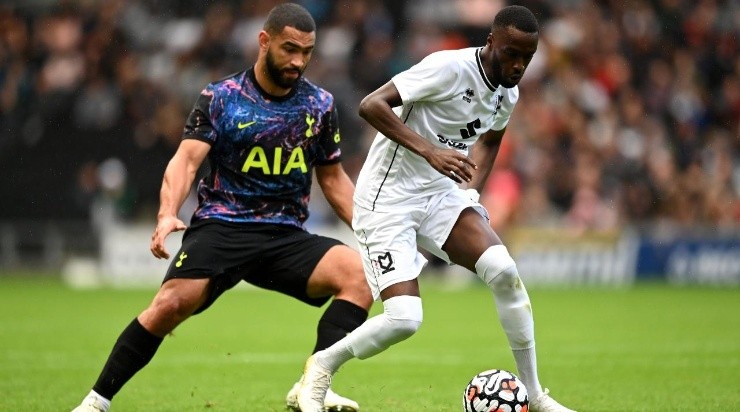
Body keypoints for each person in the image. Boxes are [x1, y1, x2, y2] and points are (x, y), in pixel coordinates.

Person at [71, 4, 371, 412]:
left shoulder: (319, 105)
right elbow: (186, 161)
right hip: (223, 227)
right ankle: (95, 402)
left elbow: (333, 179)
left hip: (284, 235)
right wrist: (166, 213)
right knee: (169, 306)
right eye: (288, 49)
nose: (298, 61)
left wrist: (372, 231)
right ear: (263, 41)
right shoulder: (222, 97)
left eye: (306, 52)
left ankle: (313, 386)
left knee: (359, 276)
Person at [297, 5, 577, 412]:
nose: (518, 65)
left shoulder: (508, 93)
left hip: (440, 195)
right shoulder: (448, 68)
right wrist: (430, 151)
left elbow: (492, 140)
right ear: (491, 42)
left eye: (527, 58)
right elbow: (371, 104)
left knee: (503, 271)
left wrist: (471, 194)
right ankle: (321, 366)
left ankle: (535, 395)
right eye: (511, 53)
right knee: (405, 319)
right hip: (386, 199)